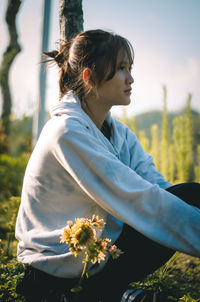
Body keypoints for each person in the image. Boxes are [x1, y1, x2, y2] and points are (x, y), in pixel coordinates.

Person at [15, 29, 200, 302]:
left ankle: (104, 292)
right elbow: (138, 198)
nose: (131, 78)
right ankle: (95, 294)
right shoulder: (66, 132)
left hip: (97, 256)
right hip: (56, 267)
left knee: (190, 194)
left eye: (130, 68)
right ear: (90, 77)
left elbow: (157, 187)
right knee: (160, 207)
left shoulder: (119, 132)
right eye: (121, 69)